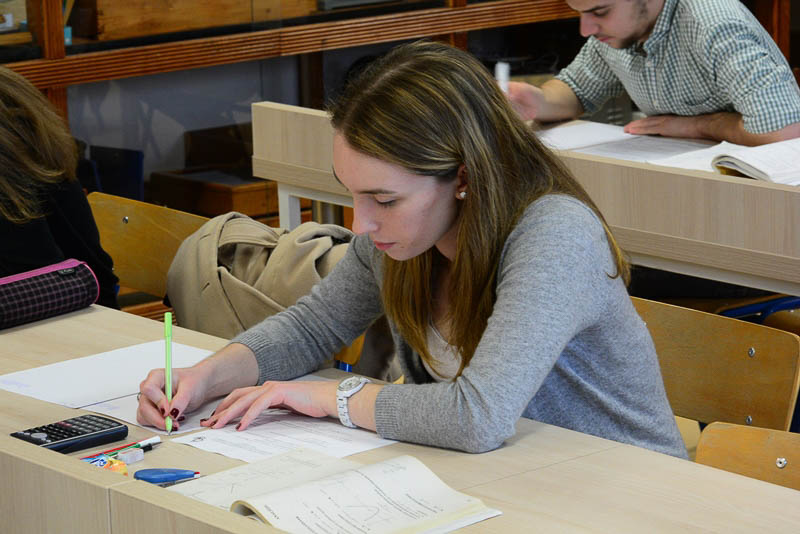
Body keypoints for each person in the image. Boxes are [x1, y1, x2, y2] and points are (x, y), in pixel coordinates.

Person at [137, 41, 687, 459]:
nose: (361, 224)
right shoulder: (407, 237)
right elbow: (312, 327)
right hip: (510, 477)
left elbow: (478, 416)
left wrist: (333, 398)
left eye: (384, 199)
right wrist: (206, 376)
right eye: (352, 193)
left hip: (624, 490)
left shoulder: (555, 234)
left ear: (463, 177)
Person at [508, 0, 800, 146]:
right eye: (579, 12)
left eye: (600, 12)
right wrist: (537, 100)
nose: (586, 29)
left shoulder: (714, 24)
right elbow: (577, 90)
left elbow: (785, 131)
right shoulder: (619, 32)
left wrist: (697, 126)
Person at [0, 67, 119, 308]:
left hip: (64, 314)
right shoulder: (16, 100)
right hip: (85, 306)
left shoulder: (13, 178)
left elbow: (33, 287)